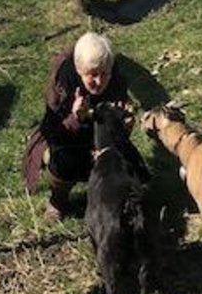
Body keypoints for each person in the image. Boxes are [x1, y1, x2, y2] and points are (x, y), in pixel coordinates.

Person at [22, 31, 150, 222]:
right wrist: (75, 117)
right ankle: (58, 200)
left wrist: (124, 125)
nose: (99, 82)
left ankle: (118, 202)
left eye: (104, 74)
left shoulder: (116, 81)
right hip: (68, 143)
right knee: (63, 160)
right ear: (79, 70)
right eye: (92, 75)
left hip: (102, 140)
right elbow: (52, 133)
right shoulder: (62, 84)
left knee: (139, 175)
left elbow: (120, 121)